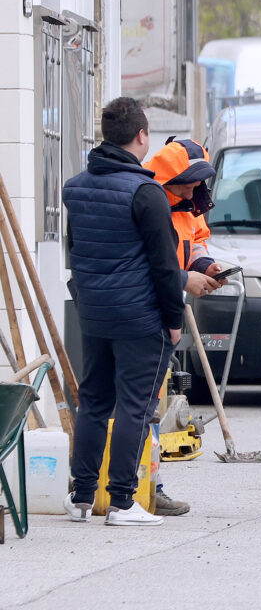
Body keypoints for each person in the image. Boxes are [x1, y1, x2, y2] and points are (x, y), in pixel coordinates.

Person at [62, 98, 217, 526]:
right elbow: (164, 267)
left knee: (94, 403)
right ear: (143, 136)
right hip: (140, 318)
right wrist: (173, 321)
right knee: (135, 407)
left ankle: (81, 496)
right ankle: (123, 502)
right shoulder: (145, 193)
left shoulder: (75, 188)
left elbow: (77, 251)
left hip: (94, 314)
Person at [146, 137, 226, 517]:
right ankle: (142, 488)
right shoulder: (150, 203)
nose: (196, 190)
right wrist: (182, 283)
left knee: (148, 406)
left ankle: (144, 485)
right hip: (148, 312)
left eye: (199, 182)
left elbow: (195, 245)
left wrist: (207, 268)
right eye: (190, 182)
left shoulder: (190, 205)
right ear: (171, 178)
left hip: (166, 308)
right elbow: (149, 265)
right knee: (141, 408)